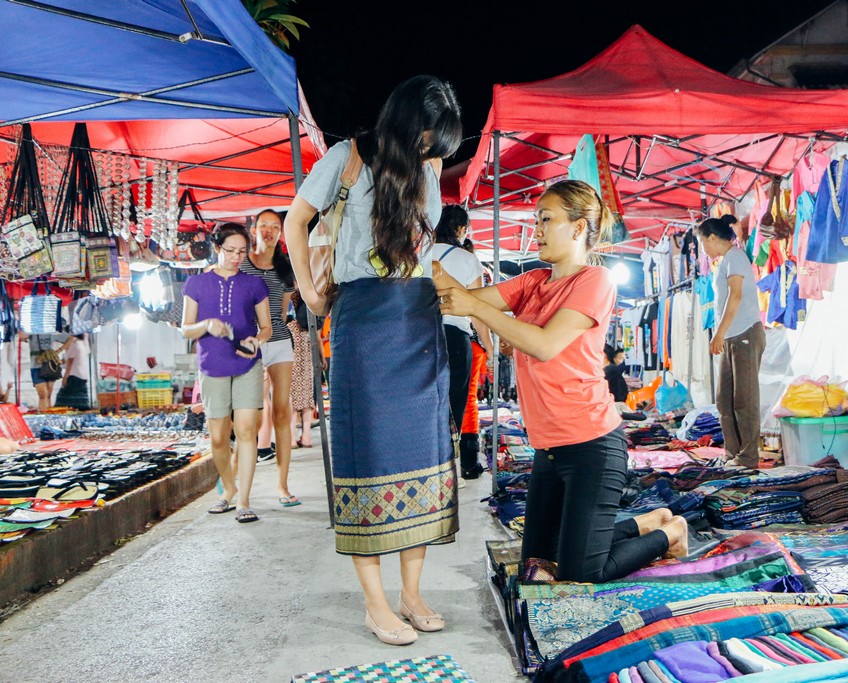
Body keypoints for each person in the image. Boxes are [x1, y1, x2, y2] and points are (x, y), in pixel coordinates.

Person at [436, 179, 688, 583]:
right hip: (549, 451)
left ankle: (669, 532)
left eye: (546, 219)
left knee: (578, 573)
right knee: (537, 563)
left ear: (577, 228)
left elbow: (546, 345)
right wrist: (426, 264)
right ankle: (644, 521)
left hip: (592, 446)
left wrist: (471, 305)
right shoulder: (534, 282)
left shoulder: (595, 281)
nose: (536, 229)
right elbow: (465, 298)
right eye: (537, 220)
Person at [285, 75, 461, 646]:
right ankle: (376, 603)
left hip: (418, 317)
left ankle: (411, 594)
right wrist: (312, 292)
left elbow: (424, 247)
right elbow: (295, 222)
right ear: (411, 121)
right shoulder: (347, 157)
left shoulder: (429, 168)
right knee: (368, 460)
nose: (434, 152)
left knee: (424, 455)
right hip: (363, 320)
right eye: (432, 139)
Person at [182, 223, 272, 524]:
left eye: (242, 252)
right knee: (219, 438)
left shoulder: (255, 285)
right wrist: (207, 325)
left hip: (247, 364)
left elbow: (267, 327)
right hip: (212, 366)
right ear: (217, 248)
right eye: (230, 251)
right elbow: (186, 328)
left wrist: (255, 341)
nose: (236, 257)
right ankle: (228, 490)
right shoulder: (195, 284)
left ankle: (244, 500)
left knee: (247, 430)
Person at [239, 209, 300, 507]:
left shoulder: (285, 268)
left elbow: (282, 313)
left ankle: (283, 485)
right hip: (248, 345)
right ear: (254, 229)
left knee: (282, 412)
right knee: (248, 414)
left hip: (278, 344)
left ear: (281, 232)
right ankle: (237, 484)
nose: (269, 231)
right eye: (263, 225)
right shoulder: (241, 266)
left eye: (275, 226)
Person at [695, 214, 766, 468]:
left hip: (745, 333)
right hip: (730, 336)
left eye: (703, 243)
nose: (703, 249)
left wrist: (719, 333)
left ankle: (748, 458)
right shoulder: (724, 262)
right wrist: (722, 334)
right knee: (724, 399)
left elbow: (734, 298)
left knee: (744, 399)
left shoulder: (735, 256)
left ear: (713, 238)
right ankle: (732, 453)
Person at [433, 204, 493, 479]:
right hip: (455, 337)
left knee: (422, 405)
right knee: (454, 409)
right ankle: (445, 471)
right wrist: (490, 348)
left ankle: (421, 467)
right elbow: (476, 309)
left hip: (418, 335)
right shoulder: (469, 260)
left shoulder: (418, 254)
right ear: (461, 229)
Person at [287, 287, 314, 449]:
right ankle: (307, 437)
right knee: (306, 388)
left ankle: (291, 438)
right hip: (306, 336)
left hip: (289, 337)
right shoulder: (306, 291)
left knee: (291, 390)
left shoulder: (285, 290)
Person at [22, 332, 69, 410]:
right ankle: (44, 414)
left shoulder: (52, 331)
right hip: (36, 365)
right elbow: (22, 336)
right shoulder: (32, 331)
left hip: (50, 365)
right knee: (43, 394)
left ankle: (47, 414)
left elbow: (71, 338)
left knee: (48, 394)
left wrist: (59, 350)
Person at [54, 336, 91, 410]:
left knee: (62, 401)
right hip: (82, 375)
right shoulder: (83, 344)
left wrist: (65, 377)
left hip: (74, 375)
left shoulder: (74, 344)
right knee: (80, 401)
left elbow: (70, 361)